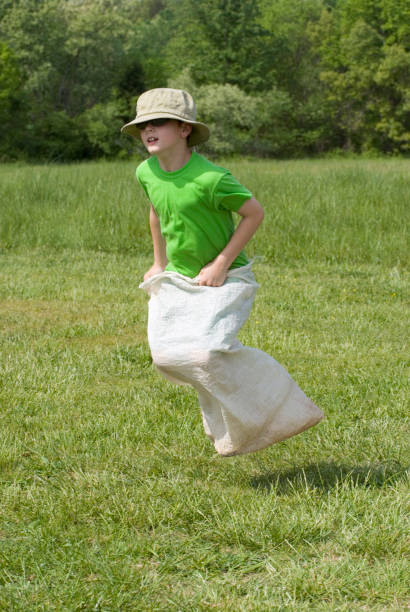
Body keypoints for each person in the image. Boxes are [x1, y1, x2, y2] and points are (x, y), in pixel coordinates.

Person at [121, 88, 323, 456]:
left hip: (227, 278)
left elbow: (254, 212)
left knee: (206, 354)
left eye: (159, 122)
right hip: (179, 279)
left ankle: (283, 404)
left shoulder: (211, 178)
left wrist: (220, 265)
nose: (149, 130)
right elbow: (157, 211)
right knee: (166, 357)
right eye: (143, 125)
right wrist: (158, 262)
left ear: (184, 129)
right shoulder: (146, 172)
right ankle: (229, 420)